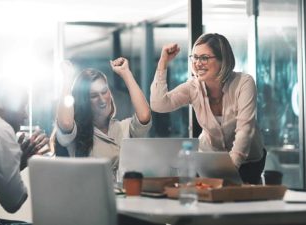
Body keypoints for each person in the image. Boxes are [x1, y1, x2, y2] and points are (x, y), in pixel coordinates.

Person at [150, 33, 266, 184]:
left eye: (204, 58)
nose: (198, 63)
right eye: (195, 57)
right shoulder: (193, 87)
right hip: (211, 161)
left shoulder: (244, 83)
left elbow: (245, 129)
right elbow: (159, 104)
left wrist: (229, 169)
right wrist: (163, 63)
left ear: (222, 60)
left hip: (249, 162)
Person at [51, 57, 152, 179]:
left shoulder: (122, 127)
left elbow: (145, 115)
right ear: (84, 101)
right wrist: (67, 80)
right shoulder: (75, 133)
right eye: (94, 95)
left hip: (124, 197)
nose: (102, 100)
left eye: (104, 91)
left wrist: (126, 73)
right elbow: (66, 122)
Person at [0, 80, 49, 225]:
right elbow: (13, 202)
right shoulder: (0, 128)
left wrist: (15, 163)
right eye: (22, 106)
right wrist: (17, 162)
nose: (25, 115)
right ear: (0, 103)